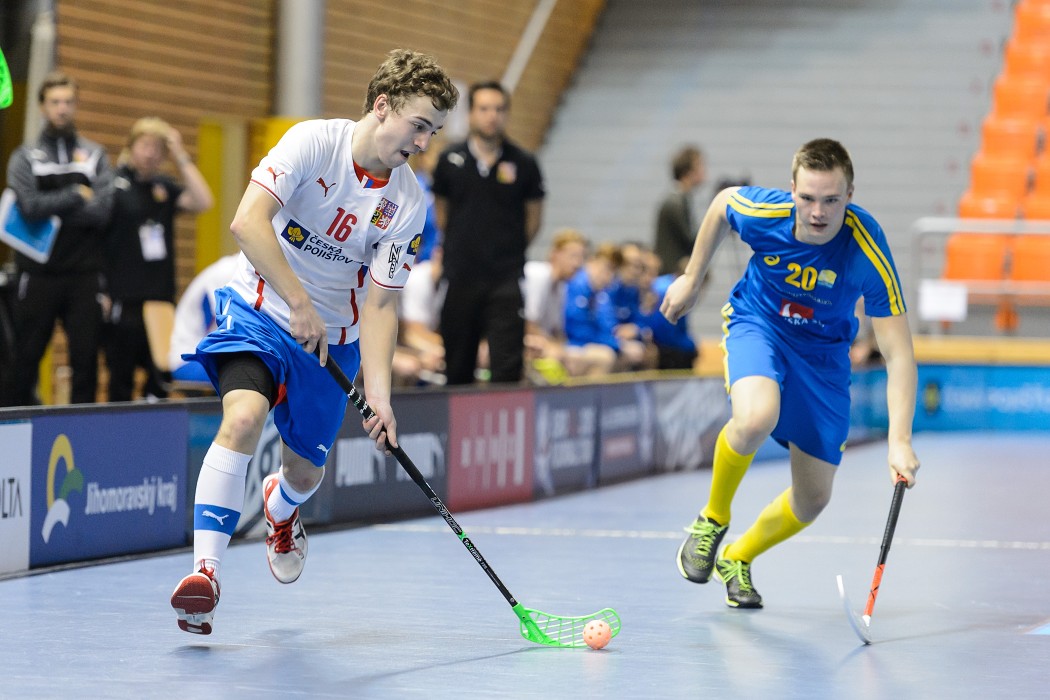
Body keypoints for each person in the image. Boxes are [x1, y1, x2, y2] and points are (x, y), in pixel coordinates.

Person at [169, 49, 458, 635]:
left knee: (303, 475)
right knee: (243, 418)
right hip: (261, 311)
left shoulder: (406, 201)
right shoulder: (311, 144)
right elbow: (248, 222)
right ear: (384, 107)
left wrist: (381, 397)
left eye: (433, 131)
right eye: (420, 125)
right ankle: (205, 573)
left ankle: (281, 510)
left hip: (334, 343)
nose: (424, 143)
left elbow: (381, 304)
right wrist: (298, 302)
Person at [661, 138, 919, 609]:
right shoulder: (767, 215)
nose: (817, 212)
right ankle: (712, 519)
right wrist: (692, 278)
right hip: (760, 326)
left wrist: (899, 439)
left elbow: (899, 353)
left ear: (850, 195)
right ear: (792, 189)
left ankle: (737, 557)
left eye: (831, 200)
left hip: (823, 357)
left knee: (813, 498)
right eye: (807, 197)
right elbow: (721, 205)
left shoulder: (866, 251)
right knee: (756, 416)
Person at [2, 71, 114, 405]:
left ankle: (86, 436)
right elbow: (29, 207)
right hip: (37, 275)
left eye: (67, 102)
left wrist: (54, 207)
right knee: (24, 358)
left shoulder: (95, 156)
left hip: (84, 276)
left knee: (85, 361)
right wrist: (78, 195)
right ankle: (15, 428)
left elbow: (103, 212)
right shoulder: (24, 158)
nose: (61, 109)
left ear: (75, 106)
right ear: (42, 106)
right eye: (54, 102)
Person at [432, 80, 545, 385]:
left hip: (505, 280)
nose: (491, 115)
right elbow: (442, 212)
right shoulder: (449, 161)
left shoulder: (524, 163)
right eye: (484, 108)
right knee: (457, 367)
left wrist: (508, 248)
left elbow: (533, 218)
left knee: (507, 367)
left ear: (506, 114)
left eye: (499, 109)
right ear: (470, 114)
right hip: (460, 277)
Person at [103, 117, 214, 401]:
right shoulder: (114, 186)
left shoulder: (164, 188)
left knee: (160, 376)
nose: (151, 153)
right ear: (131, 147)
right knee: (121, 377)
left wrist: (179, 154)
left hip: (160, 301)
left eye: (158, 148)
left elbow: (204, 201)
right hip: (123, 300)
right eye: (145, 145)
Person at [522, 228, 612, 381]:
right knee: (556, 355)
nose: (578, 264)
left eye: (582, 258)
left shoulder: (562, 286)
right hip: (524, 339)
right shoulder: (539, 275)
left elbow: (558, 332)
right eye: (573, 256)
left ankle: (585, 403)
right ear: (555, 254)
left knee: (603, 356)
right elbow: (529, 326)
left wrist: (562, 348)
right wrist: (558, 349)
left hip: (542, 341)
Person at [168, 253, 240, 384]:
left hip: (215, 355)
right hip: (190, 357)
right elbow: (230, 330)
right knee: (249, 374)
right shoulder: (226, 272)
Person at [653, 145, 706, 276]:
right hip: (670, 274)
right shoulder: (676, 202)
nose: (704, 171)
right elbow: (692, 240)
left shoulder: (681, 198)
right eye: (700, 166)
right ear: (688, 172)